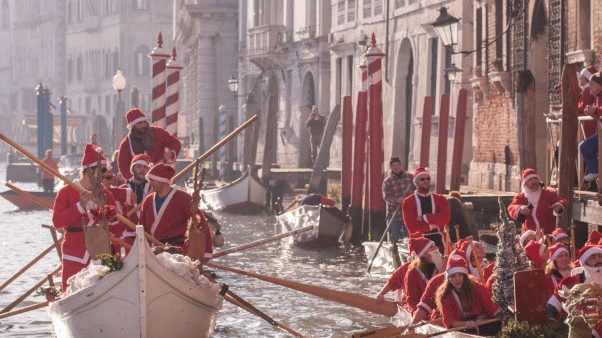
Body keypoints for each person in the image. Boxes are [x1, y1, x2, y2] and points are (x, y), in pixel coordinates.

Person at [52, 144, 119, 292]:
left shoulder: (106, 194)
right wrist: (79, 206)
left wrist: (110, 214)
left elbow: (118, 226)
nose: (105, 174)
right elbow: (57, 222)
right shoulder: (66, 191)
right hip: (75, 252)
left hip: (100, 252)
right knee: (70, 291)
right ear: (89, 170)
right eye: (102, 170)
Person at [138, 163, 213, 260]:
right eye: (149, 180)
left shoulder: (183, 198)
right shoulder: (148, 200)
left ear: (163, 181)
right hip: (153, 250)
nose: (150, 183)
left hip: (177, 253)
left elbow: (201, 223)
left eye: (153, 180)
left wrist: (206, 252)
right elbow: (142, 227)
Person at [435, 257, 500, 334]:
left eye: (460, 275)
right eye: (453, 276)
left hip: (484, 323)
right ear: (448, 278)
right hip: (463, 329)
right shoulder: (445, 296)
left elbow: (490, 308)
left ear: (465, 276)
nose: (457, 279)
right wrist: (466, 324)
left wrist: (501, 316)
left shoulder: (478, 288)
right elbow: (449, 321)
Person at [117, 108, 181, 181]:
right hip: (139, 182)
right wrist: (134, 182)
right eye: (139, 123)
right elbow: (123, 167)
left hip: (160, 178)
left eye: (144, 122)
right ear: (132, 125)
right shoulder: (126, 144)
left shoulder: (158, 132)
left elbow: (175, 143)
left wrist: (172, 152)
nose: (143, 125)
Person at [547, 245, 602, 322]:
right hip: (579, 328)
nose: (598, 260)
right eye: (593, 257)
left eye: (600, 256)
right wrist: (551, 319)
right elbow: (554, 304)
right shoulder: (572, 281)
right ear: (585, 261)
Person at [507, 168, 567, 235]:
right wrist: (520, 209)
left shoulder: (549, 194)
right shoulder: (521, 197)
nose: (534, 181)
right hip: (529, 236)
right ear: (525, 183)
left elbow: (562, 201)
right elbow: (511, 207)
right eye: (530, 179)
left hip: (547, 234)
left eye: (535, 178)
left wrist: (559, 205)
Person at [402, 168, 450, 249]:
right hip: (419, 245)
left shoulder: (440, 199)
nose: (426, 181)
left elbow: (445, 218)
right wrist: (432, 226)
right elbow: (412, 227)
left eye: (428, 178)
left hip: (440, 243)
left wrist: (424, 218)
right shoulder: (408, 202)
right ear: (416, 182)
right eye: (422, 179)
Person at [401, 234, 443, 314]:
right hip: (420, 310)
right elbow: (412, 298)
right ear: (423, 254)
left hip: (437, 311)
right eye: (431, 248)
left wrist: (442, 267)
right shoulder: (412, 273)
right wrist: (415, 313)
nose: (436, 249)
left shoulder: (441, 265)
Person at [382, 156, 415, 242]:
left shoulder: (411, 178)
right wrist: (396, 200)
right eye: (393, 165)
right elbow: (386, 196)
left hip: (409, 215)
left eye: (397, 164)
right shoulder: (387, 181)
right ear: (390, 168)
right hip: (394, 215)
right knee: (393, 242)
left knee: (411, 239)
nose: (396, 167)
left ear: (401, 166)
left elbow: (417, 192)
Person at [580, 71, 602, 183]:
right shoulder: (598, 96)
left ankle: (596, 170)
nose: (589, 87)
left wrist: (595, 110)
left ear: (599, 85)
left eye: (592, 84)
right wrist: (592, 112)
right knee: (584, 146)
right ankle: (597, 171)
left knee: (585, 146)